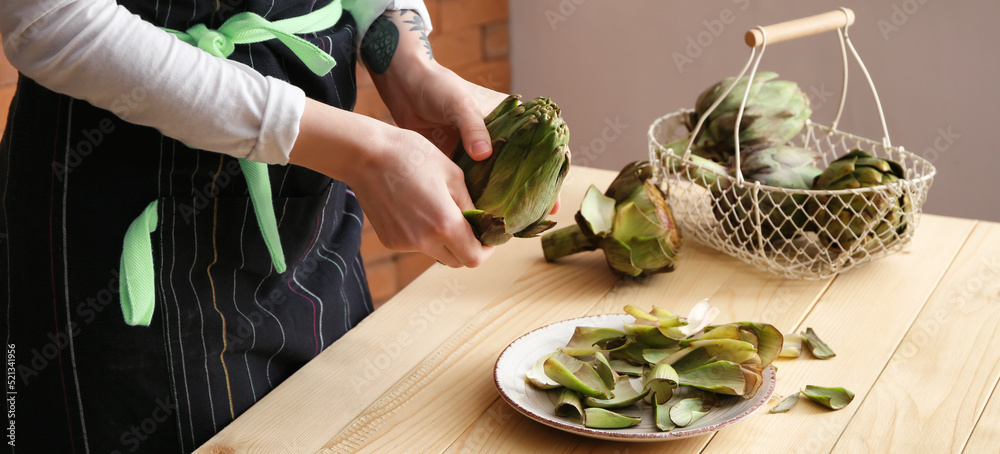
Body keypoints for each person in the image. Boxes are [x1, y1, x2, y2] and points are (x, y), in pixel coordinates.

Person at [0, 0, 527, 451]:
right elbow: (47, 18)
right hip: (119, 236)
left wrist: (408, 61)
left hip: (311, 210)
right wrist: (361, 153)